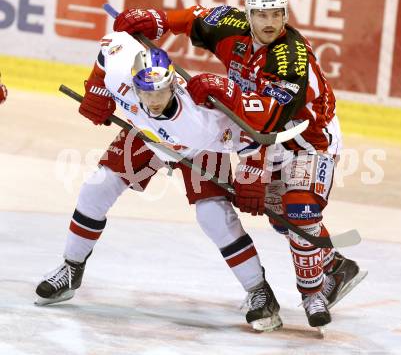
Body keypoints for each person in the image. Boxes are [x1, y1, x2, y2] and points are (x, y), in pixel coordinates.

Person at [112, 0, 367, 328]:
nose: (269, 22)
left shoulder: (290, 56)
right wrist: (156, 19)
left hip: (308, 139)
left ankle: (313, 293)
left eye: (276, 14)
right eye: (261, 13)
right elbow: (193, 18)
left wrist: (225, 89)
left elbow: (268, 118)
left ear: (285, 15)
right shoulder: (231, 25)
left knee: (300, 209)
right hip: (270, 138)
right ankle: (335, 265)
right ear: (248, 15)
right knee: (281, 219)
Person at [35, 31, 283, 332]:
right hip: (146, 135)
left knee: (213, 215)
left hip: (196, 148)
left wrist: (252, 174)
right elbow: (110, 46)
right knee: (97, 187)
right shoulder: (123, 79)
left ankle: (259, 290)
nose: (153, 101)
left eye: (160, 93)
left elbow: (254, 136)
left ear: (172, 86)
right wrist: (97, 87)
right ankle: (71, 268)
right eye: (146, 92)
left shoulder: (203, 123)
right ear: (134, 84)